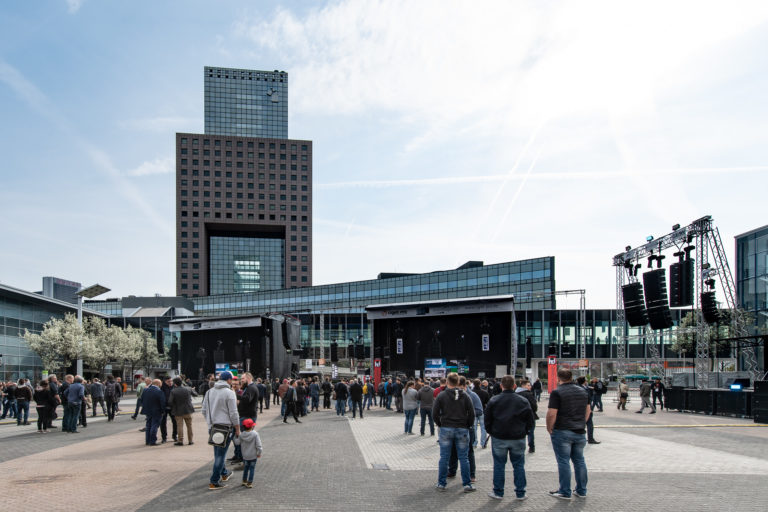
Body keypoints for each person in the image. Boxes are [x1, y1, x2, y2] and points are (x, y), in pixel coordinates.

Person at [485, 375, 534, 501]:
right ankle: (520, 493)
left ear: (501, 386)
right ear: (514, 386)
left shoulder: (494, 400)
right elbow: (530, 420)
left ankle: (498, 492)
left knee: (499, 465)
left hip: (499, 436)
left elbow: (487, 420)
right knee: (518, 465)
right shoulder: (523, 401)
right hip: (518, 437)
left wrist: (491, 431)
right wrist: (526, 432)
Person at [546, 368, 590, 500]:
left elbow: (551, 413)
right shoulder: (583, 391)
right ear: (571, 377)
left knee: (563, 461)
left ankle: (565, 491)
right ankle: (582, 490)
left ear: (558, 378)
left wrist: (549, 427)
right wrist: (582, 422)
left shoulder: (557, 392)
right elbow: (588, 410)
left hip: (562, 430)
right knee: (579, 460)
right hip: (580, 430)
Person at [432, 373, 475, 493]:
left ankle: (441, 483)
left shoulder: (442, 395)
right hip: (462, 428)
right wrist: (468, 425)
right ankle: (467, 484)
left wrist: (440, 424)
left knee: (444, 457)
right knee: (464, 458)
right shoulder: (465, 395)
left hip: (446, 428)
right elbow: (472, 413)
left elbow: (434, 413)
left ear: (447, 382)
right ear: (457, 383)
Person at [202, 371, 241, 490]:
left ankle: (224, 473)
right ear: (229, 380)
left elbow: (204, 410)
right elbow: (233, 413)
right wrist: (237, 427)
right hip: (226, 428)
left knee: (218, 453)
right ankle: (214, 481)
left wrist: (210, 422)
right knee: (221, 455)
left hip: (213, 427)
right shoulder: (229, 393)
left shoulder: (209, 392)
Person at [231, 372, 259, 464]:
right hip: (245, 416)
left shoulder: (251, 388)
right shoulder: (249, 387)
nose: (241, 380)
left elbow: (247, 399)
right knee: (239, 437)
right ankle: (239, 456)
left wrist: (235, 395)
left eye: (242, 379)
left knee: (243, 439)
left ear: (248, 378)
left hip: (248, 417)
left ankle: (244, 459)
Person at [233, 418, 263, 488]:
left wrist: (235, 436)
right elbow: (259, 445)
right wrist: (259, 453)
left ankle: (244, 481)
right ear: (252, 426)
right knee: (252, 468)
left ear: (243, 426)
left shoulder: (241, 435)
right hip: (253, 455)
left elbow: (237, 443)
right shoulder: (255, 434)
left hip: (245, 456)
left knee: (246, 468)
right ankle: (250, 482)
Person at [169, 376, 196, 446]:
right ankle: (190, 440)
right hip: (188, 410)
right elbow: (196, 394)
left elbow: (170, 402)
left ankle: (180, 440)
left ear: (175, 384)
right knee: (189, 426)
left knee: (179, 426)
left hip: (178, 411)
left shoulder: (173, 391)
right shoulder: (188, 389)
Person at [516, 379, 539, 452]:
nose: (530, 387)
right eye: (528, 385)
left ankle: (520, 447)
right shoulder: (528, 394)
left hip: (519, 416)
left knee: (520, 432)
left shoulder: (516, 394)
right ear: (523, 386)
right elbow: (534, 406)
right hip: (530, 416)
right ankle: (531, 447)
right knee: (530, 432)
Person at [141, 379, 166, 446]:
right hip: (157, 411)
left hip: (148, 411)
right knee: (154, 426)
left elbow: (142, 400)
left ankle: (147, 441)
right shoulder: (159, 391)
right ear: (158, 384)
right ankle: (152, 441)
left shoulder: (145, 390)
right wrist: (163, 411)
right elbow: (162, 403)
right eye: (161, 383)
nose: (161, 385)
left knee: (148, 425)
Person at [577, 377, 600, 445]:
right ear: (584, 381)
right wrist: (589, 409)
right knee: (589, 424)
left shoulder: (576, 387)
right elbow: (588, 399)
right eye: (586, 380)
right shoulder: (585, 389)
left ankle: (580, 438)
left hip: (578, 409)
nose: (587, 381)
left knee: (580, 424)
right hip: (585, 408)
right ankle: (590, 438)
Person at [160, 376, 178, 442]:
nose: (170, 383)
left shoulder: (174, 387)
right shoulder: (161, 388)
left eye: (171, 381)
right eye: (168, 381)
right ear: (165, 382)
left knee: (175, 422)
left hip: (173, 407)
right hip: (164, 407)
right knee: (163, 423)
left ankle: (175, 435)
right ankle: (164, 437)